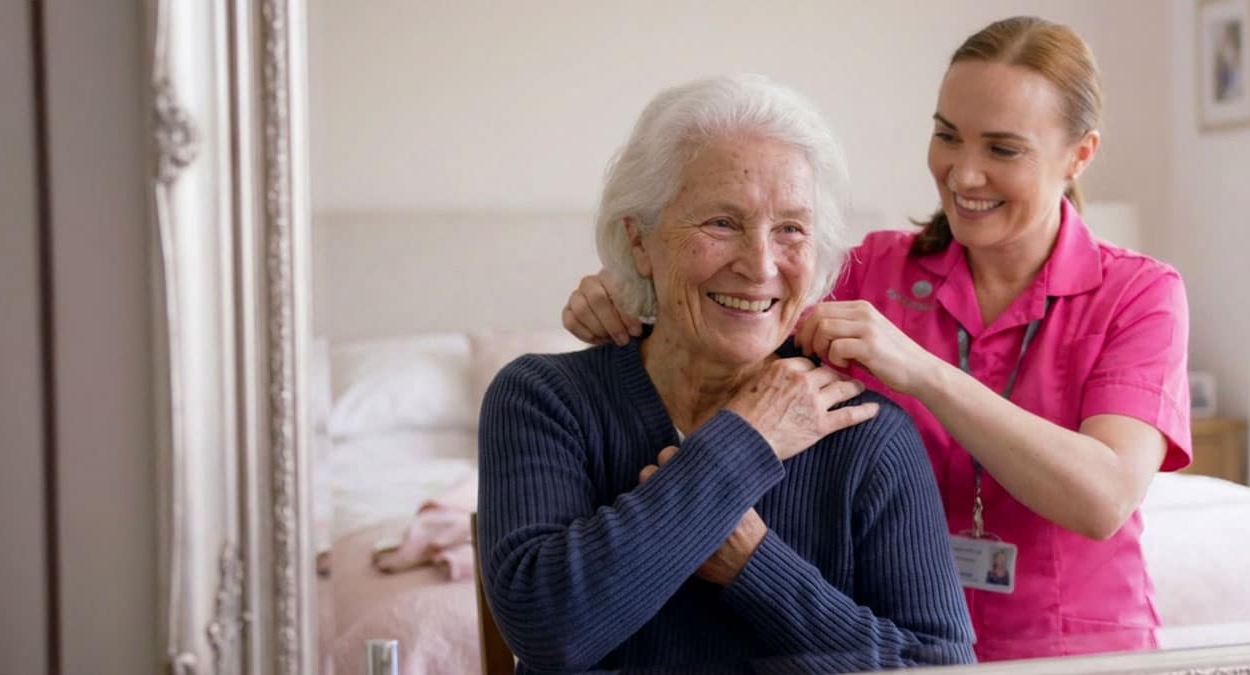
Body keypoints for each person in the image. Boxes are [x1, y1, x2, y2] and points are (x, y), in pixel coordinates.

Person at [559, 17, 1192, 661]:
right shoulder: (870, 270)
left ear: (1080, 154)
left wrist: (922, 372)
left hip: (1072, 647)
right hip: (886, 635)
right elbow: (731, 310)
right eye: (947, 136)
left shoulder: (1140, 294)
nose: (964, 175)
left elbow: (1105, 497)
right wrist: (629, 296)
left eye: (1003, 150)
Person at [478, 74, 976, 674]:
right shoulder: (543, 399)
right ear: (640, 241)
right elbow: (549, 632)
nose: (760, 264)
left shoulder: (867, 435)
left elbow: (940, 666)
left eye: (791, 229)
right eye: (721, 222)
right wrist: (747, 441)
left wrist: (753, 565)